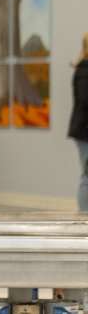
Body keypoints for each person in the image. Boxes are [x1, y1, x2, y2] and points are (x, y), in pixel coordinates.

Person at [71, 33, 88, 211]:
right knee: (87, 175)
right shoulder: (84, 70)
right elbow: (84, 101)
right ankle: (84, 216)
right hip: (84, 132)